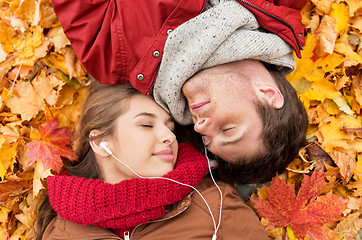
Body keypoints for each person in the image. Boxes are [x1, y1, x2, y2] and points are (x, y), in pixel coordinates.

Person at [50, 0, 308, 183]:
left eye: (207, 140)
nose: (201, 128)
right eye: (228, 130)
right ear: (269, 94)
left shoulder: (110, 55)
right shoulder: (284, 6)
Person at [35, 83, 269, 239]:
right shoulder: (61, 232)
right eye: (146, 125)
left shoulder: (213, 205)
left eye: (170, 128)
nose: (169, 137)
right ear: (100, 143)